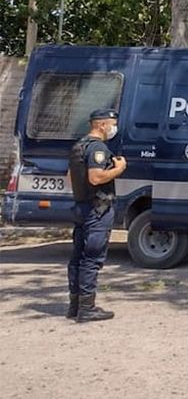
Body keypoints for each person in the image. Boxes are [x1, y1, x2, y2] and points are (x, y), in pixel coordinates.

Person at [67, 108, 127, 322]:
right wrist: (119, 168)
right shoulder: (97, 149)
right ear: (102, 125)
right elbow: (96, 177)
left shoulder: (79, 146)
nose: (114, 127)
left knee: (78, 257)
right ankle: (87, 308)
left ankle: (74, 305)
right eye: (112, 123)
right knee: (92, 259)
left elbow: (70, 176)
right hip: (97, 209)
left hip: (81, 207)